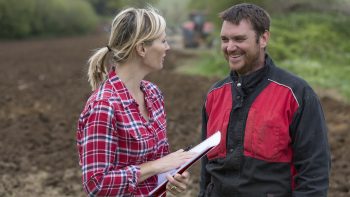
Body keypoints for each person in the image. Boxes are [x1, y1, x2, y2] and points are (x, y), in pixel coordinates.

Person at [199, 3, 331, 197]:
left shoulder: (296, 94)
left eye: (239, 39)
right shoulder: (214, 95)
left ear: (263, 38)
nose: (230, 47)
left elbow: (314, 171)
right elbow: (206, 169)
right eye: (225, 39)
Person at [76, 7, 196, 196]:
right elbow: (96, 184)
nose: (168, 47)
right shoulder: (104, 106)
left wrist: (171, 177)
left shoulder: (153, 94)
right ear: (141, 48)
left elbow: (161, 162)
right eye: (163, 41)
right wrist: (156, 166)